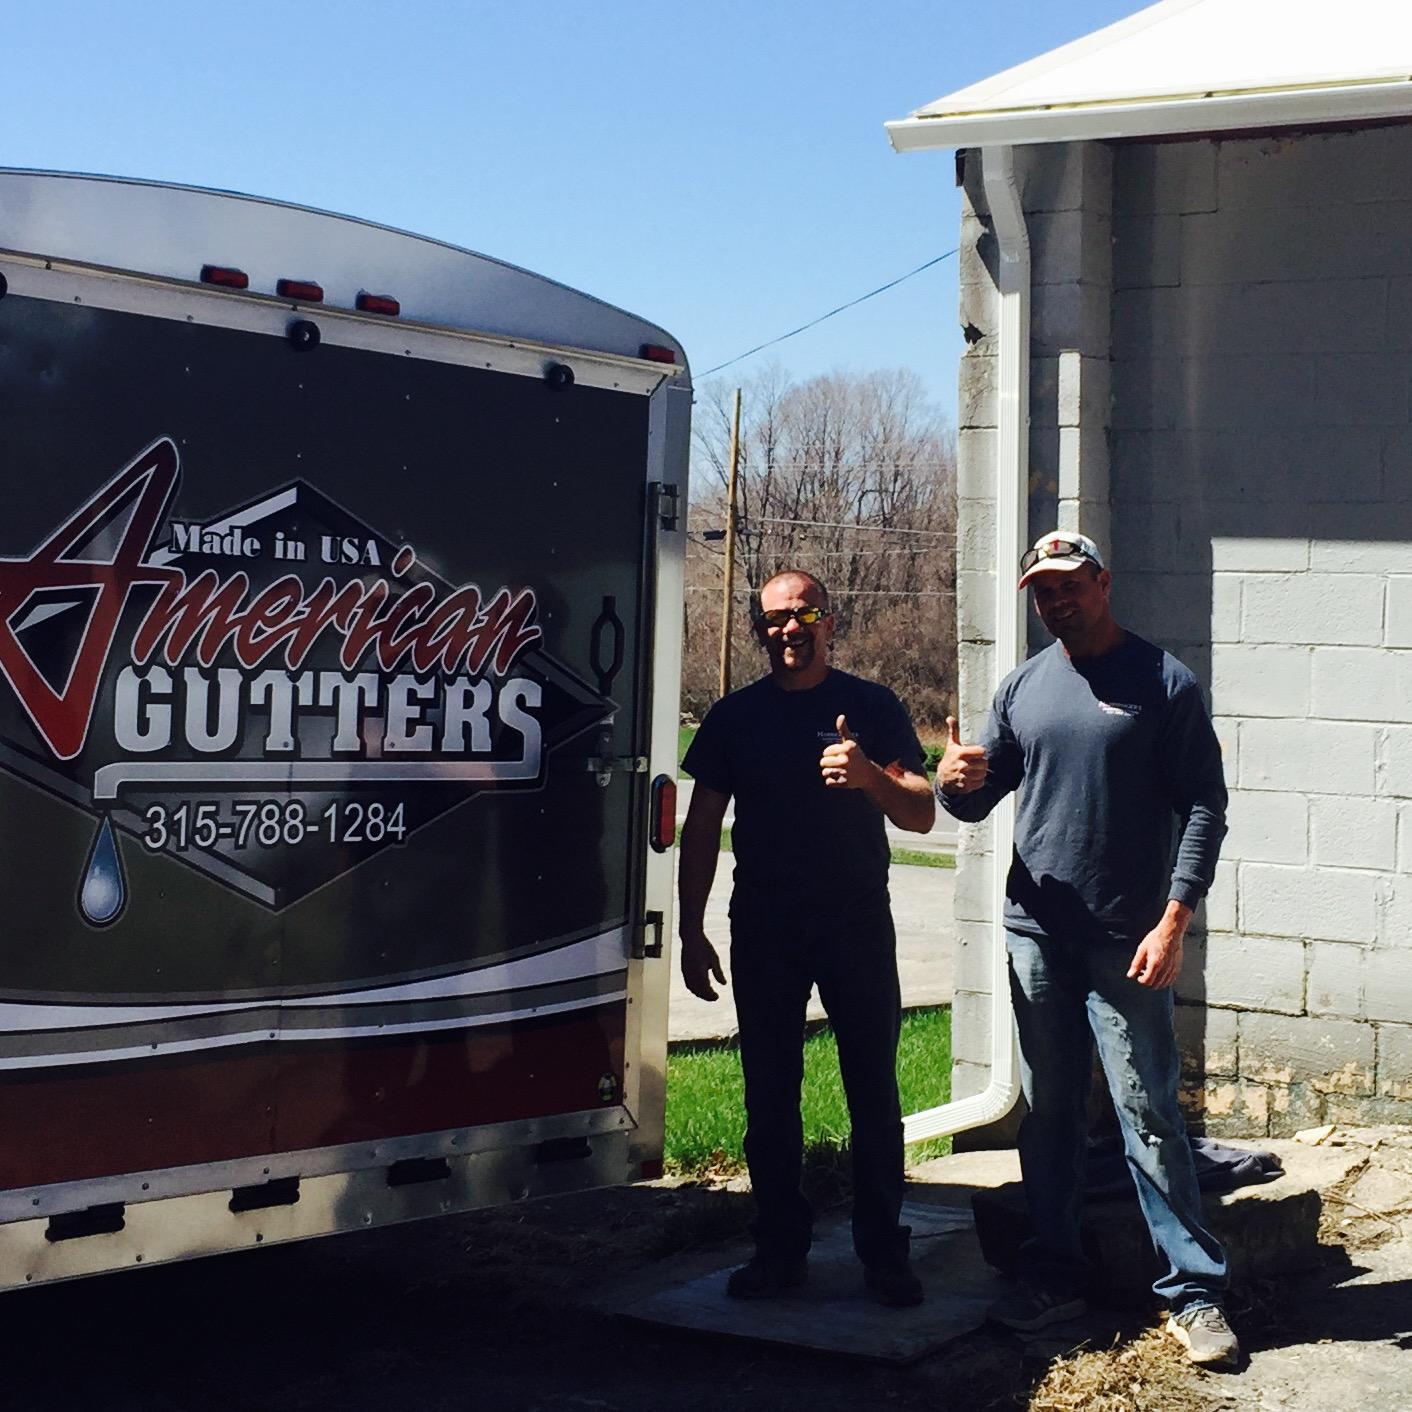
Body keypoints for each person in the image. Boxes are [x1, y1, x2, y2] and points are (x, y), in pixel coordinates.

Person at [937, 531, 1239, 1369]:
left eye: (1070, 584)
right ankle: (1054, 1274)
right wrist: (953, 782)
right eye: (1043, 590)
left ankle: (1194, 1292)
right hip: (1037, 937)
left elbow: (1205, 807)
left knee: (1149, 1114)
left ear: (1103, 583)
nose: (1056, 601)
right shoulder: (1023, 687)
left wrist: (1174, 920)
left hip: (1127, 941)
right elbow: (977, 799)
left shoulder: (1164, 682)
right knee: (1052, 1115)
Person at [678, 569, 935, 1307]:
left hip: (855, 924)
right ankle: (778, 1251)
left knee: (873, 1091)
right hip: (765, 927)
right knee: (769, 1095)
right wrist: (691, 928)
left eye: (805, 615)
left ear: (829, 621)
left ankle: (883, 1254)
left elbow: (921, 813)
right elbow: (702, 829)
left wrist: (869, 777)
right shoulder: (734, 717)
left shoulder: (870, 706)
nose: (790, 629)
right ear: (759, 630)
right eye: (775, 619)